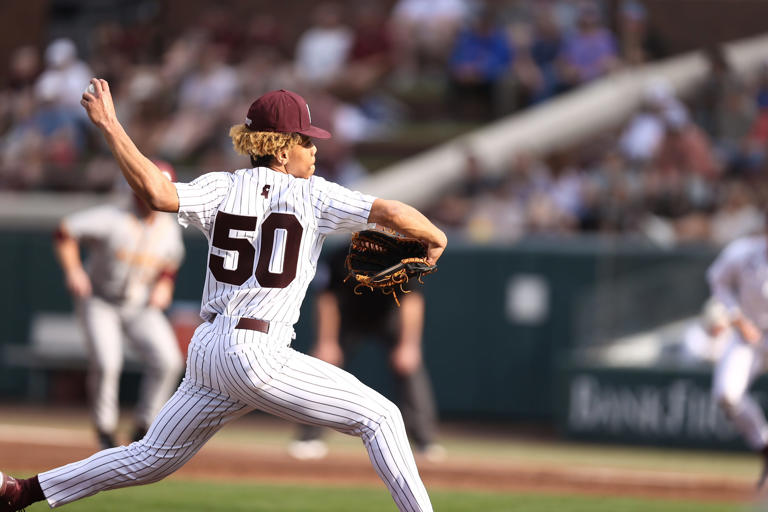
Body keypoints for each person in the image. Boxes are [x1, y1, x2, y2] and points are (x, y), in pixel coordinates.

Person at [0, 79, 445, 512]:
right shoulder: (316, 196)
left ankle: (21, 493)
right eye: (306, 141)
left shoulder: (222, 186)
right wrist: (434, 236)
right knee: (381, 417)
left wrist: (112, 127)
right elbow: (389, 211)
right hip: (257, 351)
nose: (314, 150)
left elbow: (156, 193)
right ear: (282, 147)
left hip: (210, 349)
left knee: (150, 458)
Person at [53, 161, 185, 449]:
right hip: (100, 300)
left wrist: (165, 284)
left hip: (139, 306)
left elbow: (171, 262)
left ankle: (145, 425)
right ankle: (105, 429)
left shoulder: (168, 228)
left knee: (168, 361)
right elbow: (64, 232)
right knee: (107, 362)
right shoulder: (112, 216)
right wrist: (74, 270)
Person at [289, 244, 443, 461]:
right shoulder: (340, 256)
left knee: (409, 368)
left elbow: (412, 300)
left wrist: (409, 345)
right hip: (349, 318)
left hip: (390, 317)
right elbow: (327, 300)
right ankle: (308, 437)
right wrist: (326, 342)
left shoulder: (401, 257)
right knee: (323, 369)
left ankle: (426, 442)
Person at [707, 221, 768, 488]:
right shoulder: (744, 252)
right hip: (748, 335)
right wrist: (736, 318)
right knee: (726, 395)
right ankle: (764, 444)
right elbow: (717, 279)